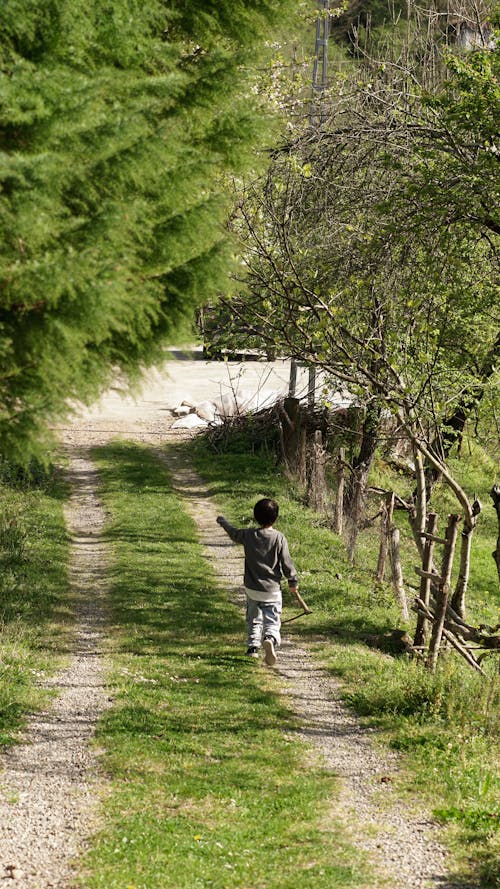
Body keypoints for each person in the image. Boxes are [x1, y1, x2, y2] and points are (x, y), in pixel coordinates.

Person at [216, 498, 299, 666]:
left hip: (252, 589)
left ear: (255, 517)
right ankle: (269, 638)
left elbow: (233, 533)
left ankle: (253, 647)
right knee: (272, 619)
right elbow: (286, 562)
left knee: (253, 617)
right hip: (272, 591)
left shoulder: (249, 535)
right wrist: (292, 580)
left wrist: (223, 522)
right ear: (275, 517)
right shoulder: (278, 538)